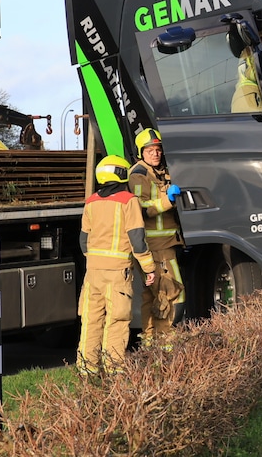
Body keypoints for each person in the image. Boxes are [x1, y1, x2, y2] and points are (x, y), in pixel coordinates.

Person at [78, 155, 155, 374]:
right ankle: (114, 372)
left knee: (91, 321)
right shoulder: (128, 200)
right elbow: (138, 240)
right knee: (117, 321)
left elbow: (84, 240)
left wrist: (94, 260)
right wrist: (149, 269)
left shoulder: (91, 201)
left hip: (92, 273)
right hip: (117, 273)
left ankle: (87, 371)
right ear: (121, 174)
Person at [129, 128, 185, 347]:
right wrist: (168, 200)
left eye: (158, 149)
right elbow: (140, 209)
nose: (155, 154)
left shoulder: (162, 171)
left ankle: (150, 344)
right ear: (141, 152)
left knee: (150, 297)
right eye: (150, 150)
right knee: (170, 294)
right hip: (157, 246)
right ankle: (166, 347)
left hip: (164, 243)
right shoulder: (138, 174)